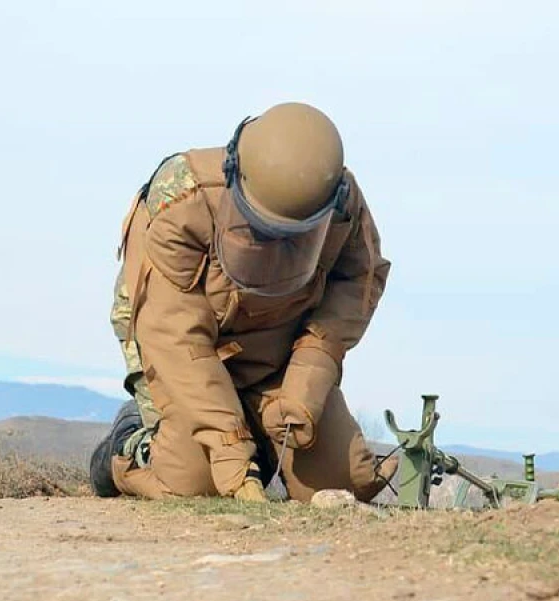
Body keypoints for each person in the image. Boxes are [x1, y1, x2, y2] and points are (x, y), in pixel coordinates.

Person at [91, 102, 396, 503]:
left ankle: (258, 444)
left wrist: (304, 386)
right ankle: (131, 443)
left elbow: (356, 285)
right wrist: (228, 444)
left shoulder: (340, 204)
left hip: (278, 351)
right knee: (196, 482)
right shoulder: (181, 201)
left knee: (344, 481)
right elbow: (175, 336)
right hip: (183, 347)